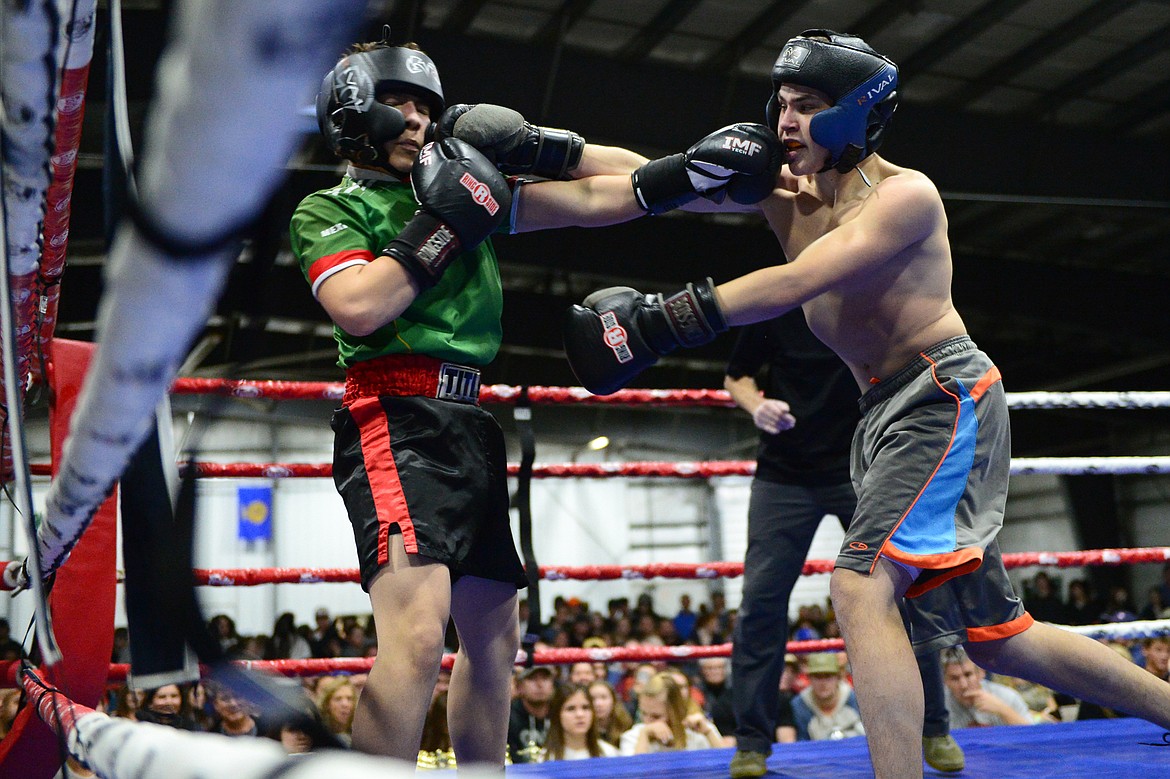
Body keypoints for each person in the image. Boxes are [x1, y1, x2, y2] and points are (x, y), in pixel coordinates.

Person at [556, 28, 1170, 779]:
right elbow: (658, 176)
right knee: (999, 634)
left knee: (857, 581)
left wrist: (659, 321)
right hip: (882, 412)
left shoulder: (905, 197)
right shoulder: (782, 185)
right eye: (780, 103)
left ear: (854, 113)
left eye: (806, 105)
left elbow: (794, 283)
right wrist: (546, 152)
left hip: (943, 394)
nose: (784, 121)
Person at [291, 31, 646, 766]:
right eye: (398, 101)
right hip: (393, 417)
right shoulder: (327, 207)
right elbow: (360, 305)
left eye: (427, 104)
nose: (418, 119)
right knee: (419, 638)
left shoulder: (472, 199)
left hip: (469, 420)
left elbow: (614, 192)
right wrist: (447, 220)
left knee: (495, 640)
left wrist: (546, 146)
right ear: (353, 113)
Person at [723, 311, 962, 775]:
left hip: (866, 469)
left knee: (910, 592)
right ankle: (751, 742)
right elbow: (737, 376)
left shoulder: (873, 298)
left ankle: (934, 726)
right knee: (760, 602)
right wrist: (756, 406)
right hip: (784, 474)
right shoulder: (778, 303)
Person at [619, 672, 723, 755]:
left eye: (656, 716)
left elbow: (729, 768)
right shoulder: (633, 736)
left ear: (676, 712)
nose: (647, 721)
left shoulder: (700, 731)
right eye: (643, 713)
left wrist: (709, 734)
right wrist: (644, 736)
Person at [941, 647, 1033, 727]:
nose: (963, 685)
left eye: (968, 675)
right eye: (954, 678)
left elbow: (1033, 735)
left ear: (981, 673)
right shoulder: (939, 705)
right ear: (945, 681)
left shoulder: (1007, 697)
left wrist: (1003, 710)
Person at [789, 652, 865, 740]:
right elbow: (801, 744)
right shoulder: (800, 704)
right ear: (809, 679)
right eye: (817, 677)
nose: (823, 683)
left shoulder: (856, 700)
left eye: (828, 676)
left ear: (838, 677)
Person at [542, 683, 620, 760]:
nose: (580, 715)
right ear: (557, 715)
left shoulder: (610, 754)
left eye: (585, 707)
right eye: (571, 708)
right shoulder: (545, 759)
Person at [507, 665, 557, 763]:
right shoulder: (508, 718)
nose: (540, 684)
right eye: (532, 679)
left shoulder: (561, 712)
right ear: (519, 686)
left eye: (545, 678)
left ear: (553, 685)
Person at [587, 679, 633, 748]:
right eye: (592, 699)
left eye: (604, 697)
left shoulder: (626, 726)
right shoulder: (584, 731)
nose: (598, 704)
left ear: (613, 700)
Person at [316, 675, 357, 746]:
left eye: (349, 699)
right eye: (338, 699)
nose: (345, 704)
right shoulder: (317, 732)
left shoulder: (362, 732)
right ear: (327, 704)